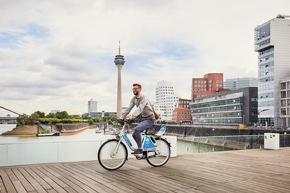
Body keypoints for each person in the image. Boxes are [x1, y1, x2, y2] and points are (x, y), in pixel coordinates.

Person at [120, 83, 155, 155]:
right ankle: (141, 147)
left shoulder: (144, 98)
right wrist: (122, 117)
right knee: (134, 134)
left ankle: (140, 149)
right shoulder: (134, 99)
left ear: (140, 89)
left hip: (150, 119)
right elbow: (129, 108)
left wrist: (130, 117)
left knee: (137, 130)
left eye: (135, 88)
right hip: (143, 119)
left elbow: (140, 109)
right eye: (133, 89)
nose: (134, 90)